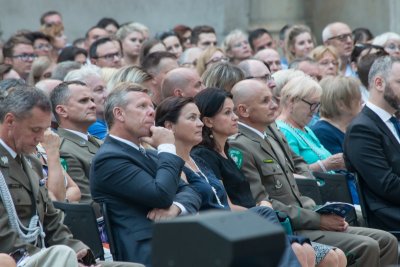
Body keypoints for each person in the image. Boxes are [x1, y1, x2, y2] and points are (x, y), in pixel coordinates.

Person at [228, 79, 398, 267]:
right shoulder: (240, 146)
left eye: (272, 98)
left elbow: (297, 162)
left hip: (308, 211)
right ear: (243, 111)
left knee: (387, 240)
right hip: (292, 227)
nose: (274, 104)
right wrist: (318, 219)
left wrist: (312, 193)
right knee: (368, 246)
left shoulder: (270, 130)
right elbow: (263, 204)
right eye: (265, 101)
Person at [191, 88, 347, 267]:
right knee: (313, 254)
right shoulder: (206, 155)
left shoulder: (225, 150)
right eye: (227, 113)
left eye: (234, 111)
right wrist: (263, 210)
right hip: (244, 228)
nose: (235, 117)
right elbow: (224, 204)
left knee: (336, 255)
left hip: (261, 223)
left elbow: (298, 163)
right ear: (208, 121)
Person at [155, 96, 308, 267]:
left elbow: (225, 203)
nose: (200, 124)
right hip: (209, 232)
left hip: (228, 225)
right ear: (169, 126)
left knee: (269, 218)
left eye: (199, 118)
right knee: (284, 238)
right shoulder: (173, 164)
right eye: (192, 118)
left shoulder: (199, 161)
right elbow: (194, 206)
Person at [0, 85, 143, 267]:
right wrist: (65, 256)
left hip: (47, 254)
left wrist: (78, 249)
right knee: (62, 254)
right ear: (10, 121)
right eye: (35, 130)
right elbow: (4, 237)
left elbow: (51, 219)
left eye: (45, 129)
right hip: (18, 258)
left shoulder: (31, 162)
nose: (41, 137)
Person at [90, 82, 201, 266]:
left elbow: (192, 191)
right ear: (119, 114)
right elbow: (161, 195)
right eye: (142, 106)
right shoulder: (109, 158)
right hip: (146, 253)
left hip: (173, 242)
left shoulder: (149, 153)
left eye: (151, 106)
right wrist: (166, 146)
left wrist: (176, 208)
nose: (151, 112)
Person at [344, 56, 400, 231]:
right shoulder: (361, 129)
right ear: (379, 83)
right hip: (388, 215)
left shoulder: (392, 121)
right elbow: (387, 185)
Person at [50, 81, 101, 215]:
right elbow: (88, 204)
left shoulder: (98, 141)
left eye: (92, 100)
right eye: (84, 101)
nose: (93, 105)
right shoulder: (63, 150)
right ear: (62, 110)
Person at [276, 75, 345, 173]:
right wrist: (325, 165)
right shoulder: (283, 131)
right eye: (312, 104)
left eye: (318, 105)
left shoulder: (305, 128)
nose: (315, 110)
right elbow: (291, 174)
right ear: (292, 101)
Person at [312, 76, 363, 204]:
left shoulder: (350, 127)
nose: (362, 101)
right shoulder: (322, 131)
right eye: (357, 98)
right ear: (341, 105)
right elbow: (345, 169)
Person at [64, 65, 108, 140]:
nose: (107, 94)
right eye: (99, 90)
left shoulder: (103, 121)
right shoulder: (91, 125)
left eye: (105, 88)